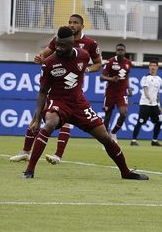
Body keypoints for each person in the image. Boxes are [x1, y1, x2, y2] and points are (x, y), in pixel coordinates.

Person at [22, 26, 148, 180]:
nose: (59, 48)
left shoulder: (83, 55)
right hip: (58, 102)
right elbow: (42, 92)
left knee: (105, 137)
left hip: (79, 104)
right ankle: (30, 170)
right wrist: (36, 118)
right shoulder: (49, 63)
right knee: (49, 124)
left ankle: (125, 172)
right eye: (57, 45)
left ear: (71, 44)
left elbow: (97, 64)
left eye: (63, 45)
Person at [10, 14, 102, 163]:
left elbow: (98, 63)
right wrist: (40, 58)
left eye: (75, 23)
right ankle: (25, 151)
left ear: (82, 26)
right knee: (37, 116)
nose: (72, 25)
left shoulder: (90, 43)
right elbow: (45, 54)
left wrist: (86, 70)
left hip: (73, 88)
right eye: (70, 22)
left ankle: (58, 155)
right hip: (55, 86)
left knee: (65, 120)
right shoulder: (59, 38)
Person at [101, 43, 132, 142]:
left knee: (123, 113)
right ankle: (105, 139)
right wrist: (111, 79)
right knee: (108, 116)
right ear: (116, 51)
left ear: (125, 51)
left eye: (122, 50)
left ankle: (113, 132)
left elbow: (126, 76)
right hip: (110, 92)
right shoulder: (110, 62)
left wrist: (129, 87)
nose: (120, 51)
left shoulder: (128, 63)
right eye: (118, 50)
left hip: (122, 92)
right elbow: (102, 77)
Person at [131, 61, 162, 147]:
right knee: (140, 121)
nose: (153, 67)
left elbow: (157, 93)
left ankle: (154, 140)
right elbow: (145, 90)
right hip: (145, 104)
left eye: (154, 66)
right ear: (149, 67)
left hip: (154, 105)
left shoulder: (159, 79)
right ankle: (133, 140)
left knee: (159, 122)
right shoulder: (145, 78)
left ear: (157, 67)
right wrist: (149, 98)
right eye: (151, 66)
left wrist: (158, 105)